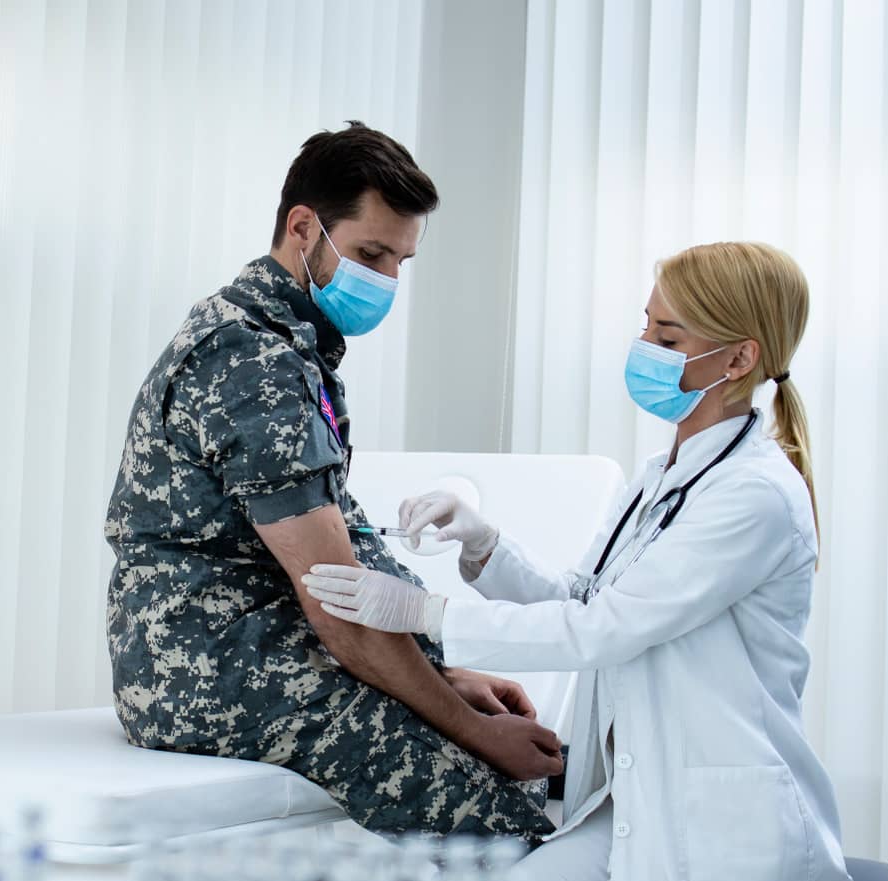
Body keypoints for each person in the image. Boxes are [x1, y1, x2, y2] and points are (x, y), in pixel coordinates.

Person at [301, 241, 851, 881]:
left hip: (715, 832)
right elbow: (584, 595)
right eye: (646, 327)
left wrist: (429, 616)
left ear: (739, 358)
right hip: (633, 810)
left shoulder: (754, 495)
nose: (645, 351)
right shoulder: (664, 478)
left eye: (668, 338)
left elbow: (606, 630)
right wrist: (482, 544)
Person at [103, 123, 563, 841]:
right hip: (209, 668)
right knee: (497, 821)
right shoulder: (252, 360)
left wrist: (442, 675)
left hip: (258, 641)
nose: (386, 281)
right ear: (303, 227)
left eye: (401, 262)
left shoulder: (285, 343)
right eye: (371, 253)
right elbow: (338, 602)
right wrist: (470, 726)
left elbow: (338, 545)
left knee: (509, 776)